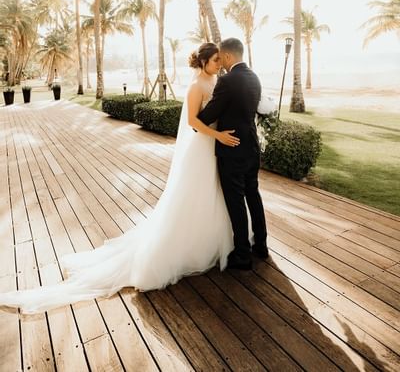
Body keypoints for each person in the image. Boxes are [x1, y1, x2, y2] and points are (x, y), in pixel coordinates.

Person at [0, 42, 240, 314]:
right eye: (216, 60)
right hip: (202, 146)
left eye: (221, 60)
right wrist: (219, 135)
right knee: (195, 192)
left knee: (213, 191)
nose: (220, 63)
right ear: (204, 61)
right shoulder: (197, 86)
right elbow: (193, 123)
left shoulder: (216, 80)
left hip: (214, 147)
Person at [198, 38, 268, 270]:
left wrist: (200, 114)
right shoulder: (254, 77)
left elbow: (208, 116)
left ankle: (242, 255)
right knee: (253, 196)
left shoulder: (227, 81)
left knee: (236, 202)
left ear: (227, 57)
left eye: (221, 57)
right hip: (251, 148)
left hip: (232, 150)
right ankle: (262, 245)